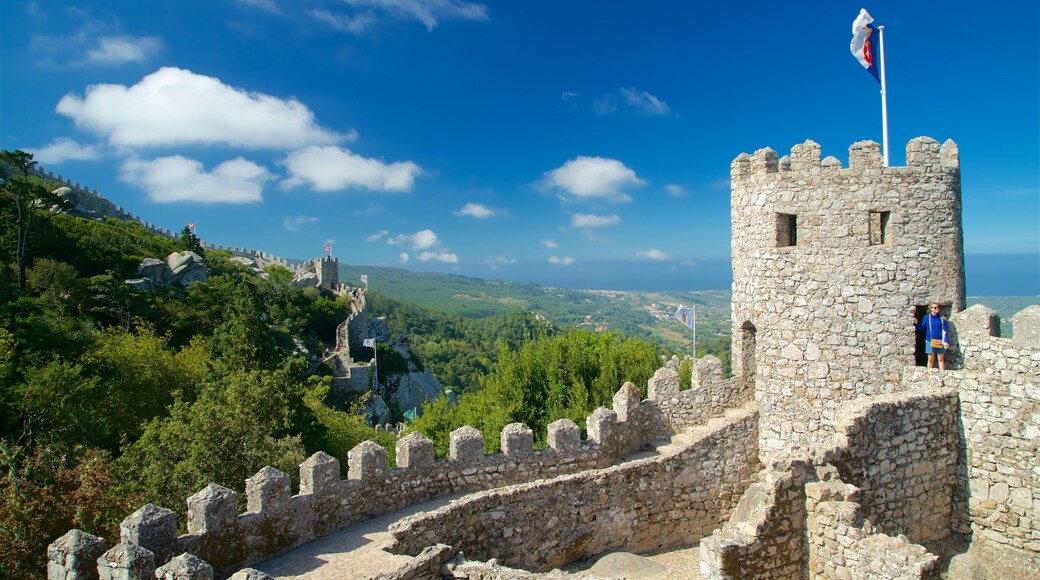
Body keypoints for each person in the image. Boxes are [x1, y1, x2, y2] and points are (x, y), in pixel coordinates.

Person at [917, 303, 949, 370]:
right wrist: (916, 324)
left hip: (940, 341)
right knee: (930, 360)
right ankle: (929, 376)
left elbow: (945, 331)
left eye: (938, 307)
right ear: (931, 309)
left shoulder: (942, 319)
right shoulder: (927, 318)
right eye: (935, 307)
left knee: (941, 360)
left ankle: (942, 376)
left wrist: (946, 341)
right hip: (929, 341)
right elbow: (922, 329)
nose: (937, 309)